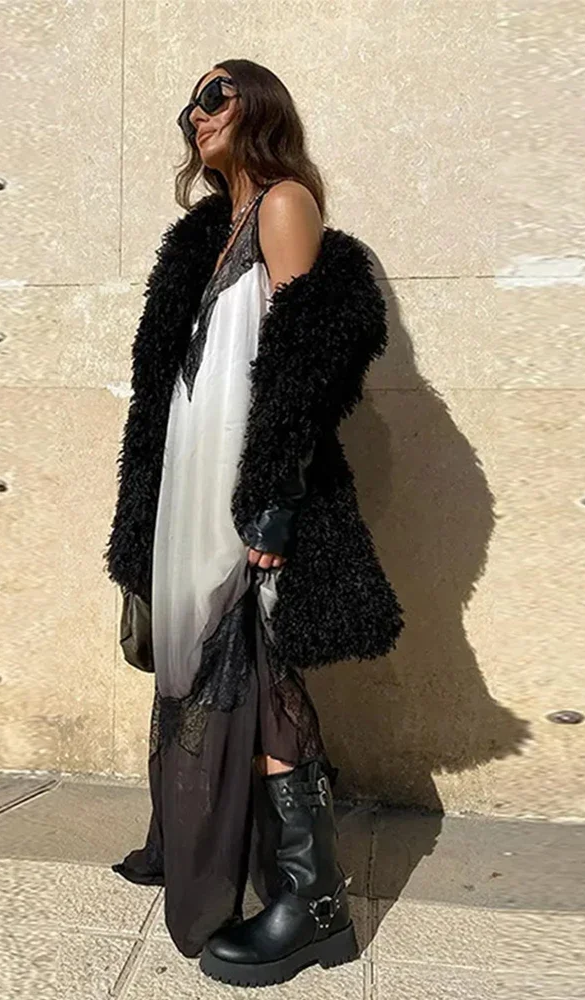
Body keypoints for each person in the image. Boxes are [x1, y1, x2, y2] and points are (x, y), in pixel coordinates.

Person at [104, 59, 404, 987]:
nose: (196, 115)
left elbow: (303, 365)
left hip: (243, 484)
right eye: (189, 103)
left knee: (260, 665)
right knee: (206, 658)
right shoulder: (208, 234)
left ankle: (313, 906)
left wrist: (273, 500)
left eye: (215, 95)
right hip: (190, 479)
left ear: (259, 106)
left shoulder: (283, 204)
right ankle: (207, 848)